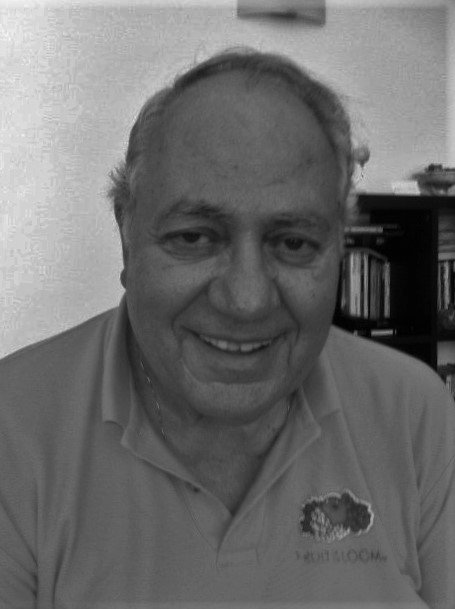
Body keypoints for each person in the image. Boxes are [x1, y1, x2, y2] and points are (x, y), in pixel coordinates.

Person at [0, 48, 454, 609]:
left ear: (340, 248)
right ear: (126, 237)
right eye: (194, 237)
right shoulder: (14, 428)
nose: (247, 300)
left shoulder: (415, 414)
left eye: (294, 243)